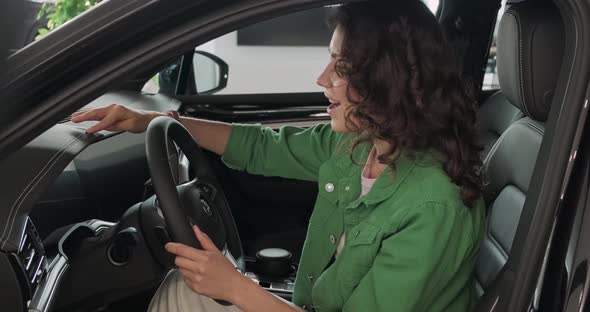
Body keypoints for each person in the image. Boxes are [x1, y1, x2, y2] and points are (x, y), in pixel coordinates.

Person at [71, 0, 485, 311]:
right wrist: (153, 121)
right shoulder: (361, 145)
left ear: (385, 80)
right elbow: (260, 147)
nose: (322, 79)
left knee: (183, 292)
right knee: (184, 285)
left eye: (340, 68)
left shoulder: (432, 207)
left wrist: (236, 287)